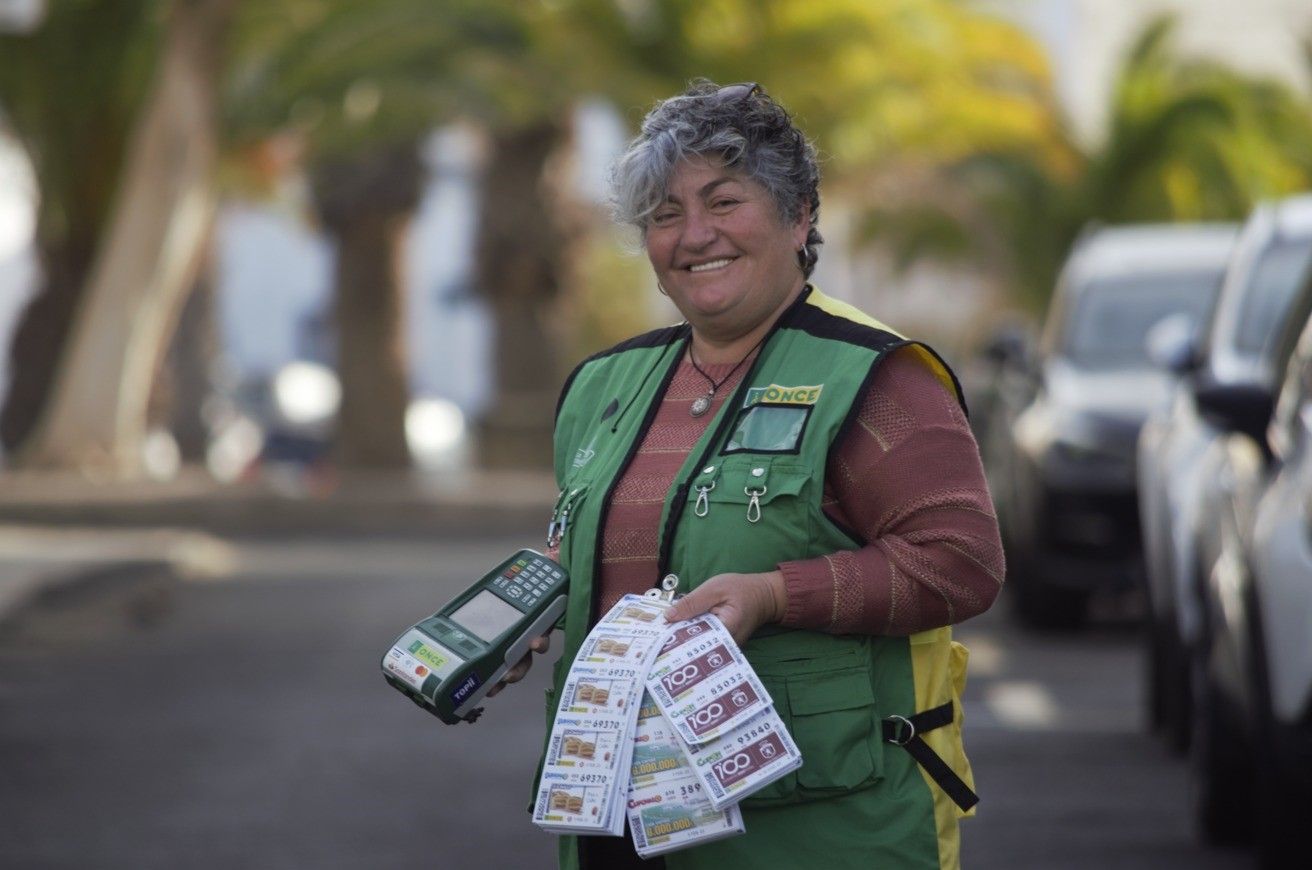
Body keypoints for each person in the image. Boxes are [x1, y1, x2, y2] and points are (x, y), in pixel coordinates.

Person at [502, 80, 1004, 870]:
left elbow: (961, 564)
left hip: (817, 828)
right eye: (665, 214)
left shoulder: (879, 378)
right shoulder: (601, 388)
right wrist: (530, 610)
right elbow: (611, 552)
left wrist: (774, 595)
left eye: (723, 202)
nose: (694, 234)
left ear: (799, 215)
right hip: (614, 815)